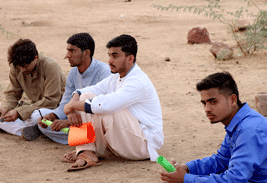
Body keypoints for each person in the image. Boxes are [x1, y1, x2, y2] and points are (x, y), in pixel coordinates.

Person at [159, 72, 267, 183]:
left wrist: (186, 179)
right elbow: (221, 160)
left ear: (232, 100)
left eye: (213, 102)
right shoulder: (238, 122)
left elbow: (233, 179)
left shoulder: (249, 131)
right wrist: (187, 169)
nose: (207, 109)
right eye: (204, 103)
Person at [62, 34, 164, 171]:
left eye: (115, 56)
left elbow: (106, 105)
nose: (110, 60)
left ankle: (89, 150)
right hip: (128, 137)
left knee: (105, 108)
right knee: (86, 96)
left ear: (130, 59)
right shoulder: (117, 77)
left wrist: (71, 106)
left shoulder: (138, 81)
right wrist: (73, 103)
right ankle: (85, 151)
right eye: (109, 55)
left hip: (143, 145)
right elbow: (87, 90)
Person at [21, 33, 111, 143]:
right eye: (68, 50)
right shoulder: (73, 73)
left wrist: (68, 122)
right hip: (76, 120)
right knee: (40, 118)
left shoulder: (104, 72)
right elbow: (65, 102)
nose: (67, 55)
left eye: (72, 51)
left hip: (98, 120)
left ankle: (84, 140)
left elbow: (103, 108)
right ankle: (81, 138)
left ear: (86, 53)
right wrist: (53, 116)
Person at [0, 39, 66, 136]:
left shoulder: (50, 66)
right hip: (32, 107)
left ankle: (26, 128)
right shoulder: (16, 67)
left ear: (35, 58)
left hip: (53, 109)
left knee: (37, 115)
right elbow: (12, 94)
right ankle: (27, 130)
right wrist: (6, 108)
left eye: (25, 66)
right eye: (19, 67)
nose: (22, 70)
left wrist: (19, 112)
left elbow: (51, 100)